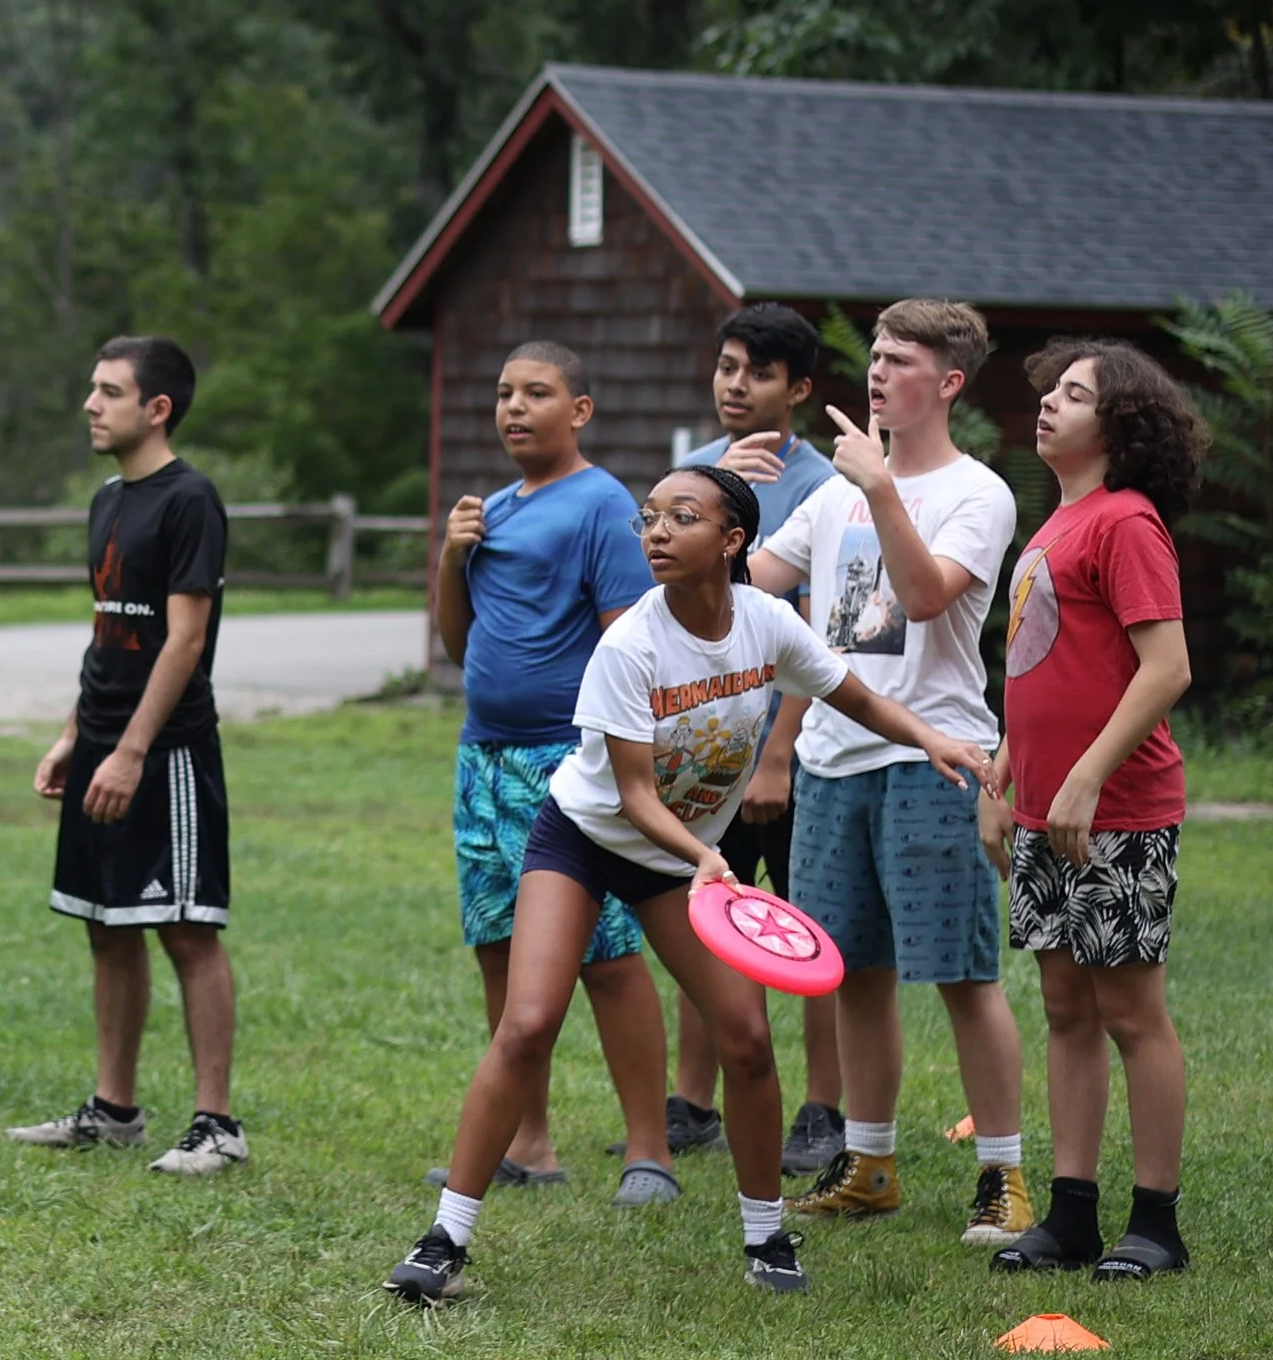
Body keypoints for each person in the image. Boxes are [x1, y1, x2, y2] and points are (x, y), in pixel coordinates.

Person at [384, 465, 992, 1305]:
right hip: (587, 838)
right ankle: (444, 1237)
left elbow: (850, 693)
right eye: (650, 518)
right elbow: (633, 793)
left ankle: (765, 1235)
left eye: (683, 516)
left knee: (745, 1038)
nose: (657, 532)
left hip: (678, 860)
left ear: (732, 539)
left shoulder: (768, 623)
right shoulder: (631, 641)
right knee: (527, 1024)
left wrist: (933, 739)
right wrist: (706, 856)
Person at [749, 300, 1029, 1245]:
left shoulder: (976, 493)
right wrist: (712, 487)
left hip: (933, 760)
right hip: (833, 763)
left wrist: (877, 489)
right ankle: (869, 1163)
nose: (876, 373)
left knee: (961, 972)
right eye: (873, 356)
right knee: (853, 974)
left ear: (948, 382)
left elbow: (921, 595)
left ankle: (1003, 1175)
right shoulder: (829, 493)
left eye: (900, 360)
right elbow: (749, 581)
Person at [430, 340, 678, 1206]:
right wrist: (451, 558)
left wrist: (618, 759)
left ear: (579, 410)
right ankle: (528, 1142)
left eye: (537, 392)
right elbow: (458, 645)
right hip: (483, 757)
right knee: (499, 950)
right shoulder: (491, 509)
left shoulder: (602, 505)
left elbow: (629, 640)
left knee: (607, 956)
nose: (514, 407)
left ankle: (651, 1150)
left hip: (567, 762)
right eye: (503, 392)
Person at [979, 339, 1207, 1281]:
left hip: (1116, 808)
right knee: (1065, 1005)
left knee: (1130, 1009)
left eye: (1075, 396)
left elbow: (1168, 668)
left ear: (1119, 426)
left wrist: (1082, 778)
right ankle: (1071, 1213)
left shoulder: (1126, 523)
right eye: (1052, 392)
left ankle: (1156, 1221)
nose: (1049, 406)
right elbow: (1037, 672)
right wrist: (1004, 778)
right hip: (1043, 812)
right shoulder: (1053, 527)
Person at [7, 336, 246, 1175]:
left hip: (166, 751)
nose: (90, 403)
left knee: (186, 928)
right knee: (107, 926)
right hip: (105, 742)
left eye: (108, 391)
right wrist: (78, 738)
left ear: (157, 409)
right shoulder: (108, 498)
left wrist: (134, 749)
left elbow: (184, 640)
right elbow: (111, 631)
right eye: (92, 388)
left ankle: (217, 1123)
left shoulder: (191, 500)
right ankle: (114, 1110)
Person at [671, 302, 842, 1171]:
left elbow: (813, 636)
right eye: (727, 365)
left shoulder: (821, 486)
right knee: (709, 913)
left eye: (758, 373)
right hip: (709, 744)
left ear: (799, 390)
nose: (735, 385)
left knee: (804, 921)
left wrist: (780, 750)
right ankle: (689, 1100)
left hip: (786, 750)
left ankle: (822, 1109)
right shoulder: (692, 471)